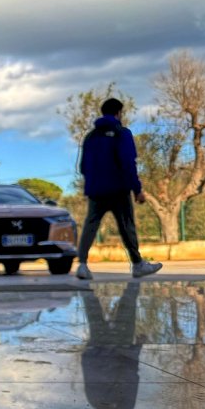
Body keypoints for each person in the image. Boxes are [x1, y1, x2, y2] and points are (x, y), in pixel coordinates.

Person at [75, 98, 162, 279]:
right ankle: (137, 264)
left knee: (91, 225)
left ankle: (82, 265)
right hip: (118, 189)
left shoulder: (90, 136)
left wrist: (94, 181)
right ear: (119, 113)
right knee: (126, 226)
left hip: (96, 190)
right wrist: (137, 189)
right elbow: (128, 163)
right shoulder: (122, 133)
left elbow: (83, 167)